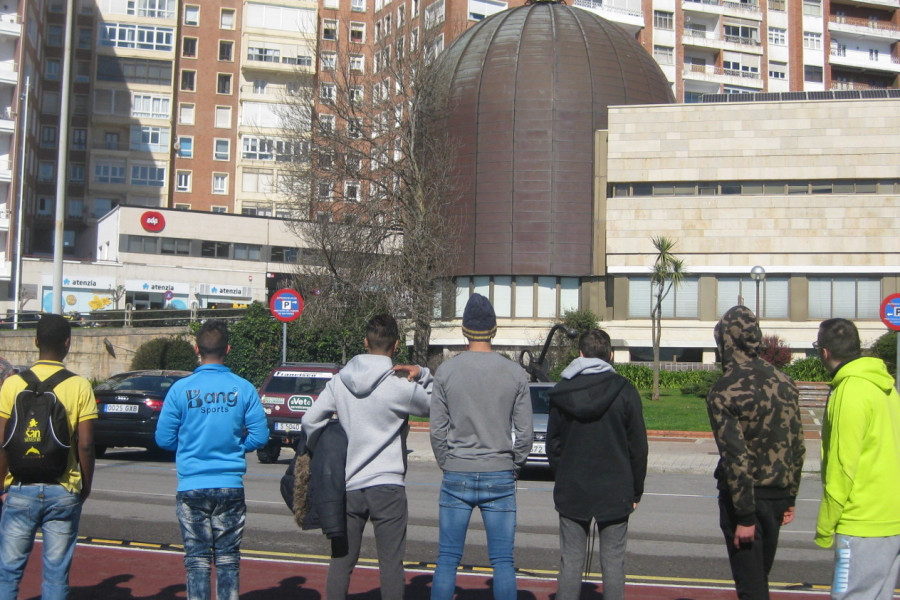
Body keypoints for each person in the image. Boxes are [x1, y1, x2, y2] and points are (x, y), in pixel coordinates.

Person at [301, 313, 433, 599]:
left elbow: (310, 420)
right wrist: (422, 373)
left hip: (349, 484)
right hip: (388, 484)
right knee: (391, 564)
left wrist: (318, 448)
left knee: (341, 561)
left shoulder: (340, 382)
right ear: (395, 345)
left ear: (365, 342)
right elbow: (436, 405)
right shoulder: (401, 386)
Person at [155, 319, 269, 600]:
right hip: (229, 484)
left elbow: (164, 439)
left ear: (197, 349)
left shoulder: (181, 389)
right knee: (228, 559)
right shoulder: (242, 388)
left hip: (192, 484)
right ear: (228, 349)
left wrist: (189, 446)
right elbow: (260, 435)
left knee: (197, 561)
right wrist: (237, 447)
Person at [430, 293, 532, 600]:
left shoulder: (446, 372)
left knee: (448, 558)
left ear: (463, 330)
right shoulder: (515, 373)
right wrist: (513, 464)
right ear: (494, 330)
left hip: (457, 470)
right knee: (502, 561)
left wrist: (447, 462)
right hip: (499, 472)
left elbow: (437, 431)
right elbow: (525, 434)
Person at [706, 305, 805, 600]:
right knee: (759, 577)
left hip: (746, 499)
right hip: (777, 495)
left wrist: (745, 516)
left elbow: (735, 456)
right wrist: (790, 497)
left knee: (751, 587)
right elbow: (797, 445)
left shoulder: (725, 389)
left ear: (725, 341)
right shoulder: (784, 382)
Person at [0, 314, 97, 600]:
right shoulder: (79, 386)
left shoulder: (12, 384)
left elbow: (3, 441)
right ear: (68, 343)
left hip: (19, 487)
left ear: (35, 341)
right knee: (56, 573)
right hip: (63, 487)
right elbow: (87, 444)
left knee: (8, 570)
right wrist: (85, 486)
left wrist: (2, 485)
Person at [547, 328, 647, 600]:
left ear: (580, 354)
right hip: (615, 488)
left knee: (571, 561)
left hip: (573, 487)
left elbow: (552, 443)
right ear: (610, 355)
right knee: (614, 562)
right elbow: (638, 447)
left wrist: (563, 475)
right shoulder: (626, 391)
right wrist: (636, 490)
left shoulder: (561, 391)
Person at [814, 318, 900, 600]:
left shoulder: (849, 391)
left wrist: (825, 529)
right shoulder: (884, 386)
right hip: (891, 518)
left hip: (860, 524)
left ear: (824, 352)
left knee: (848, 595)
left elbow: (841, 467)